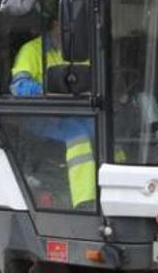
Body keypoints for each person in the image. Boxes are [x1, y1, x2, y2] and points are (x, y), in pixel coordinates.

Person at [10, 13, 96, 210]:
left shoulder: (79, 50)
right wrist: (49, 91)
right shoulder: (31, 50)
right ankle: (85, 200)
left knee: (103, 131)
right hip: (41, 116)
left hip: (75, 113)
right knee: (78, 137)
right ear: (57, 23)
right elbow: (18, 87)